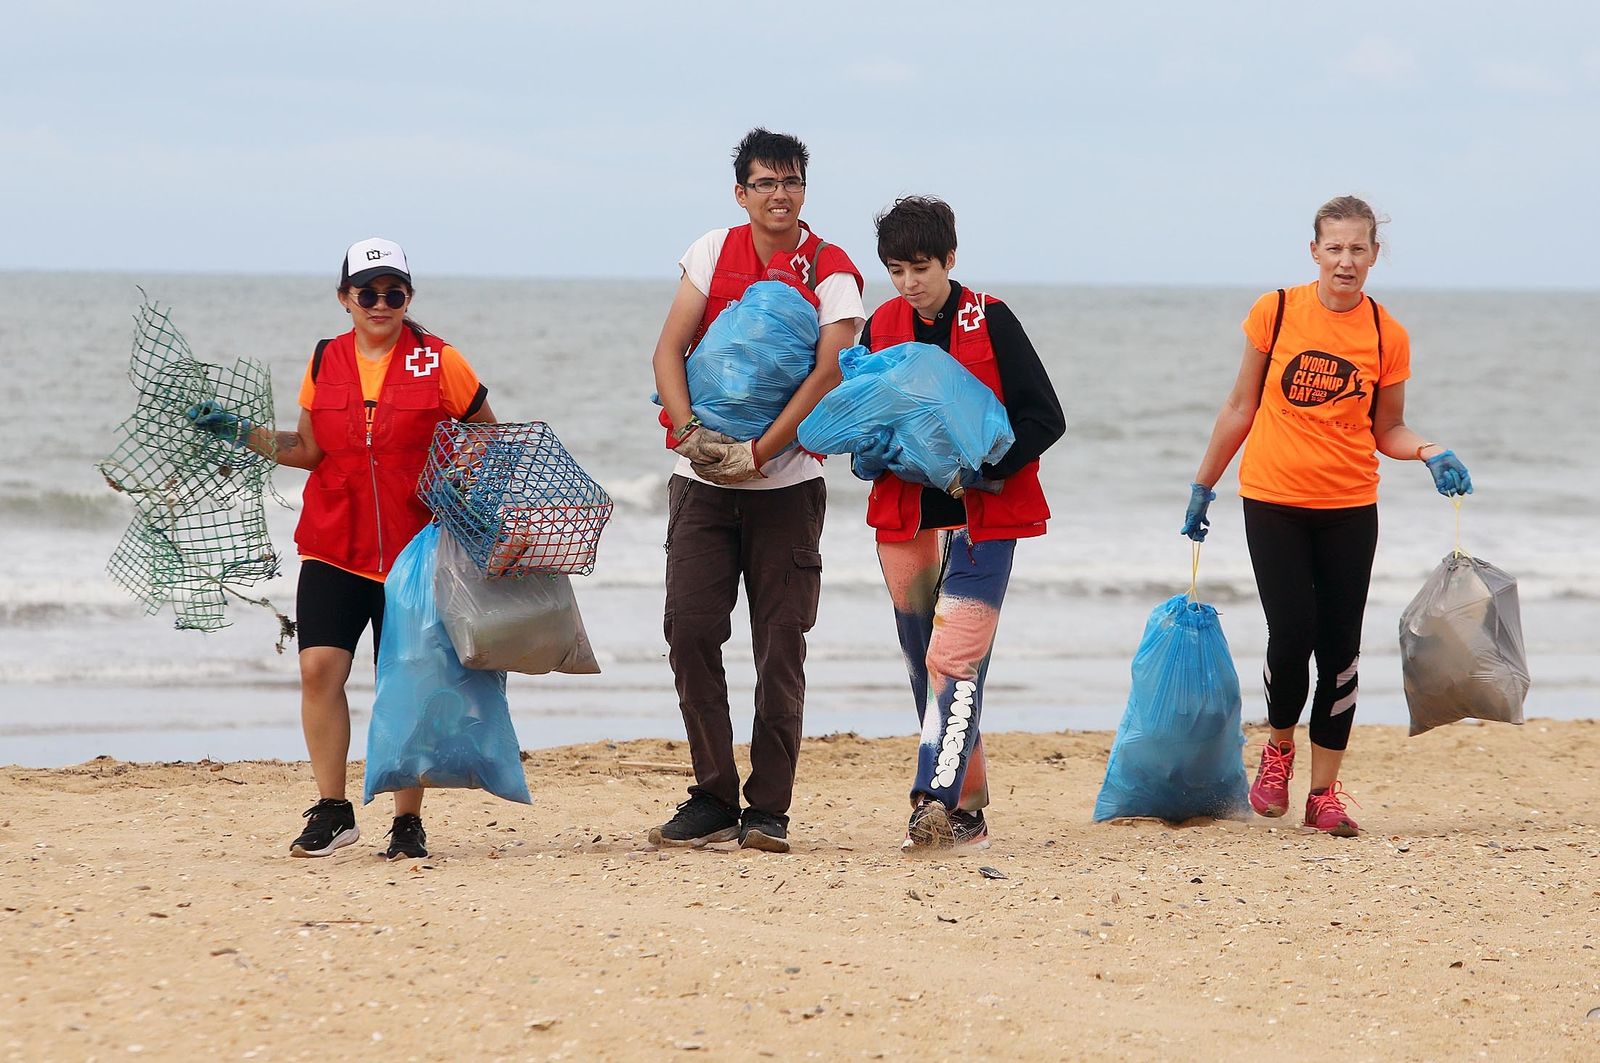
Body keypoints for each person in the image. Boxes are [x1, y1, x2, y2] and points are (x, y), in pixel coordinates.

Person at [190, 237, 497, 859]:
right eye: (367, 292)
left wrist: (458, 483)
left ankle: (407, 821)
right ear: (344, 299)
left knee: (406, 682)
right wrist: (236, 432)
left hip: (414, 553)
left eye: (394, 292)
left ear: (408, 298)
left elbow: (487, 436)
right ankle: (333, 808)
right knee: (318, 669)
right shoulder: (324, 358)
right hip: (332, 543)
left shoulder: (440, 361)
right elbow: (308, 450)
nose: (380, 303)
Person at [1182, 196, 1473, 838]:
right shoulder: (1277, 310)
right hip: (1273, 499)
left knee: (1339, 649)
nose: (1345, 260)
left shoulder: (1384, 334)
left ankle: (1324, 794)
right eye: (1334, 247)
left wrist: (1427, 450)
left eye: (1358, 248)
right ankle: (1279, 749)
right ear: (1314, 250)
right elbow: (1239, 406)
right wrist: (1204, 486)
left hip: (1348, 508)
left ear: (1375, 254)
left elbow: (1387, 428)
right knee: (1291, 633)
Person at [648, 128, 865, 853]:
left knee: (780, 643)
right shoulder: (712, 250)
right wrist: (689, 433)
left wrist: (760, 452)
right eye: (765, 182)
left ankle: (767, 808)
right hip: (700, 482)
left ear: (805, 189)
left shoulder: (833, 269)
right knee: (689, 628)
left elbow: (830, 370)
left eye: (791, 181)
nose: (780, 194)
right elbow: (668, 348)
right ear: (740, 192)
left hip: (788, 486)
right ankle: (712, 793)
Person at [854, 197, 1064, 851]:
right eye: (896, 270)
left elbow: (1045, 417)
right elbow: (862, 421)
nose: (910, 283)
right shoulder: (880, 326)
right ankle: (967, 808)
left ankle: (932, 799)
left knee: (954, 659)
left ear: (950, 259)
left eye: (921, 267)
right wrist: (868, 450)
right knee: (928, 666)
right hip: (905, 520)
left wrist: (983, 466)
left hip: (985, 519)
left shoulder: (991, 319)